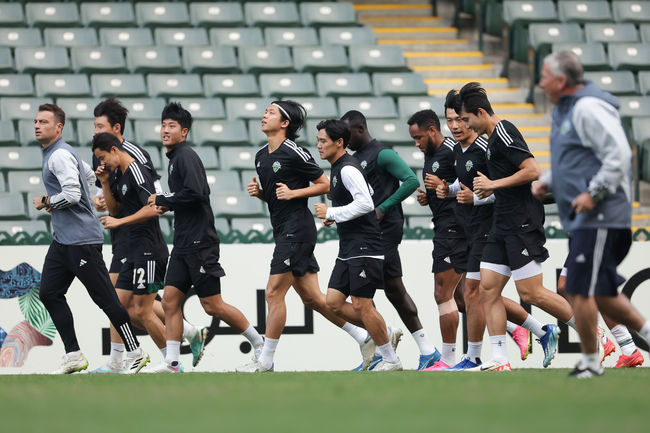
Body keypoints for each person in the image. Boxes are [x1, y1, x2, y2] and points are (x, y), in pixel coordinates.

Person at [237, 101, 374, 373]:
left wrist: (294, 193)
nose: (265, 115)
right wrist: (261, 193)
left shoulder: (293, 151)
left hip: (297, 230)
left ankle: (265, 361)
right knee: (314, 299)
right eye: (266, 111)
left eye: (272, 112)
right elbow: (278, 196)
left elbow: (323, 183)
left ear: (285, 123)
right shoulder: (261, 155)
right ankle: (369, 336)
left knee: (273, 292)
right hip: (284, 231)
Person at [536, 51, 650, 377]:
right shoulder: (567, 111)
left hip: (601, 214)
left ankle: (590, 360)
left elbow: (620, 154)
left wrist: (593, 193)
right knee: (597, 291)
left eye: (544, 76)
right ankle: (622, 348)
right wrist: (546, 182)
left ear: (560, 80)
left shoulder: (588, 107)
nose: (540, 82)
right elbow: (572, 164)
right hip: (587, 217)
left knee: (579, 288)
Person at [457, 82, 575, 371]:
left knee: (531, 293)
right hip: (502, 223)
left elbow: (532, 170)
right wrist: (489, 192)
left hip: (521, 220)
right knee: (488, 289)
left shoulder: (504, 131)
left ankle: (589, 329)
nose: (463, 125)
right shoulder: (491, 139)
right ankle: (499, 359)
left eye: (465, 119)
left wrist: (492, 184)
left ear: (480, 112)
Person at [435, 91, 550, 369]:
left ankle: (482, 352)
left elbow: (503, 184)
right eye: (450, 120)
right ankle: (512, 343)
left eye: (461, 119)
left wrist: (477, 197)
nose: (456, 126)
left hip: (495, 226)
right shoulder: (460, 151)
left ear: (476, 115)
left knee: (486, 292)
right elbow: (474, 185)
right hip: (475, 229)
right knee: (479, 292)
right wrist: (448, 190)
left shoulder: (488, 143)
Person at [90, 97, 206, 373]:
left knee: (134, 308)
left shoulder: (137, 161)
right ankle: (178, 341)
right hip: (127, 242)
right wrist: (103, 187)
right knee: (123, 306)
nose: (95, 131)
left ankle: (159, 360)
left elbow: (155, 204)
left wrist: (120, 221)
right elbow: (116, 205)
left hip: (143, 243)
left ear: (115, 131)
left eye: (99, 126)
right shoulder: (111, 163)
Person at [146, 102, 263, 373]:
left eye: (171, 126)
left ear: (184, 132)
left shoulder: (185, 156)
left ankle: (260, 344)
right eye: (163, 125)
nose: (165, 130)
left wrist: (165, 198)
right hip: (183, 242)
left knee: (213, 306)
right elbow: (186, 196)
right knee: (170, 301)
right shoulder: (175, 158)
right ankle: (172, 362)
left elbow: (198, 192)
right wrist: (170, 203)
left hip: (200, 241)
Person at [32, 103, 149, 374]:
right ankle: (73, 354)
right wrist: (98, 186)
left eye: (44, 122)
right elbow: (87, 174)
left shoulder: (58, 156)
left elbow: (72, 194)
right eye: (36, 121)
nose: (38, 125)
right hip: (64, 240)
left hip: (81, 240)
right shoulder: (62, 153)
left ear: (58, 127)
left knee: (105, 298)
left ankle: (136, 351)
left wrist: (46, 201)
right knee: (49, 293)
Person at [341, 110, 438, 370]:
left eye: (347, 133)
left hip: (384, 230)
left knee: (362, 293)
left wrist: (383, 208)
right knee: (394, 289)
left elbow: (409, 181)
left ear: (360, 129)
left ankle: (383, 353)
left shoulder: (382, 154)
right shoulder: (354, 158)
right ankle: (427, 350)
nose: (344, 139)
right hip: (369, 231)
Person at [314, 119, 402, 371]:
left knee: (362, 304)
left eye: (323, 141)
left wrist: (332, 212)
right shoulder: (337, 167)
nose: (318, 145)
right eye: (318, 140)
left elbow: (365, 204)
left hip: (365, 245)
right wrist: (337, 215)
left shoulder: (347, 169)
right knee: (332, 302)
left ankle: (391, 359)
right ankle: (385, 331)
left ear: (339, 142)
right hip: (350, 246)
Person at [92, 132, 169, 366]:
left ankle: (172, 361)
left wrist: (120, 223)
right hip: (132, 251)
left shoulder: (136, 170)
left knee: (143, 310)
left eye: (103, 158)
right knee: (118, 305)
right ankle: (128, 358)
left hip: (150, 250)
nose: (102, 164)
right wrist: (104, 182)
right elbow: (114, 210)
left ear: (114, 150)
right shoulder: (118, 176)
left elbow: (156, 206)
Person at [407, 109, 467, 370]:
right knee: (466, 299)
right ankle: (529, 328)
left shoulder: (454, 150)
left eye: (419, 137)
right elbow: (442, 190)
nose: (417, 143)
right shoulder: (431, 153)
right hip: (445, 225)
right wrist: (428, 197)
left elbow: (469, 182)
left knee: (443, 293)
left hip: (454, 229)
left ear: (432, 130)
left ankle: (448, 360)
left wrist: (445, 189)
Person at [557, 260, 643, 368]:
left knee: (597, 284)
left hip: (589, 243)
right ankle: (627, 348)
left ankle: (628, 348)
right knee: (565, 285)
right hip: (582, 243)